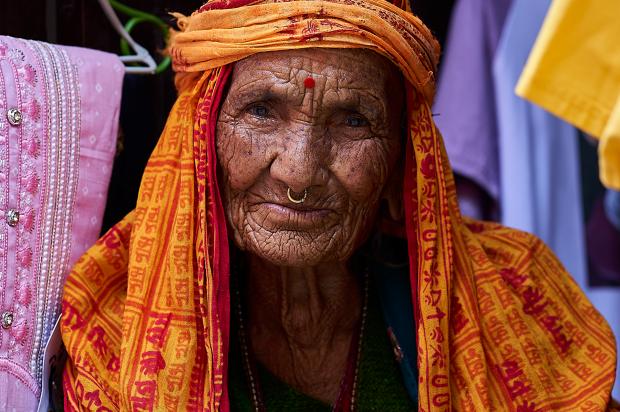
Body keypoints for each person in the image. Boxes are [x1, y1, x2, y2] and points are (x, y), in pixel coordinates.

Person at [59, 0, 618, 410]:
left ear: (404, 157)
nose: (298, 171)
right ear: (202, 135)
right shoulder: (118, 315)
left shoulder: (514, 294)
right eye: (260, 112)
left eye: (354, 121)